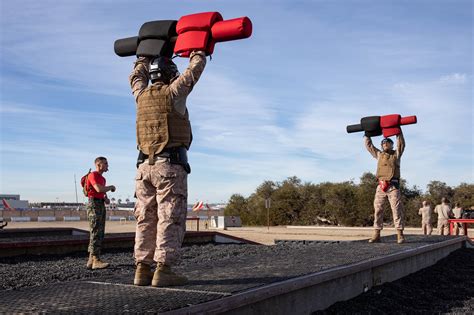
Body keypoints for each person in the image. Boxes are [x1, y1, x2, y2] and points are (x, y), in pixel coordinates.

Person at [129, 50, 206, 287]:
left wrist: (141, 59)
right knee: (169, 218)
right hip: (169, 167)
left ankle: (142, 269)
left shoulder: (140, 95)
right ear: (171, 73)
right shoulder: (174, 93)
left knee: (145, 218)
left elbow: (135, 78)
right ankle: (164, 269)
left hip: (143, 169)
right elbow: (193, 73)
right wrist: (199, 53)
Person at [364, 131, 406, 244]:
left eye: (388, 143)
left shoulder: (396, 154)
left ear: (392, 145)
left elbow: (401, 144)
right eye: (383, 143)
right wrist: (367, 134)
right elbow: (369, 146)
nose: (385, 144)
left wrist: (398, 132)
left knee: (396, 210)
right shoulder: (379, 155)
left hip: (393, 186)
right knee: (378, 210)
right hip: (381, 186)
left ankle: (400, 234)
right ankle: (376, 234)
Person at [85, 156, 116, 269]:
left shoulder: (102, 178)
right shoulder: (93, 175)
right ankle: (96, 260)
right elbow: (98, 189)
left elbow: (101, 192)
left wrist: (105, 198)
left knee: (99, 231)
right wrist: (111, 187)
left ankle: (91, 260)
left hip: (100, 204)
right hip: (93, 204)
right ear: (98, 165)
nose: (107, 166)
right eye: (105, 164)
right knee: (96, 231)